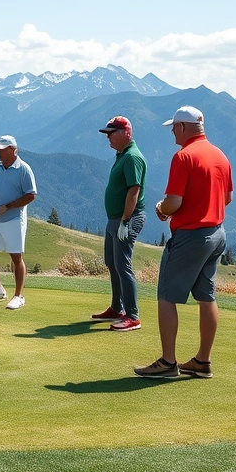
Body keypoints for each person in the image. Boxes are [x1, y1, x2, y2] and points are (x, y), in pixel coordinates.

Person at [135, 105, 232, 379]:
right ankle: (202, 361)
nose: (172, 133)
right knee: (206, 295)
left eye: (173, 128)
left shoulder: (183, 156)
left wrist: (162, 209)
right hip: (217, 234)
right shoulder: (220, 156)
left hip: (191, 236)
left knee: (166, 295)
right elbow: (227, 199)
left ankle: (168, 362)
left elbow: (174, 202)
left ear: (182, 127)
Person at [91, 116, 146, 332]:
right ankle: (117, 307)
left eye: (112, 133)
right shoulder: (122, 155)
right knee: (112, 263)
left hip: (127, 219)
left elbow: (134, 190)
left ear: (126, 133)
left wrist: (125, 220)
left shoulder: (132, 157)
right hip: (116, 219)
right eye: (108, 134)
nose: (109, 138)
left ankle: (132, 316)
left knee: (123, 265)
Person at [0, 135, 37, 310]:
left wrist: (8, 207)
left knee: (16, 257)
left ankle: (19, 296)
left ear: (13, 149)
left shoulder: (24, 169)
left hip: (14, 219)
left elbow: (31, 195)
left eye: (2, 150)